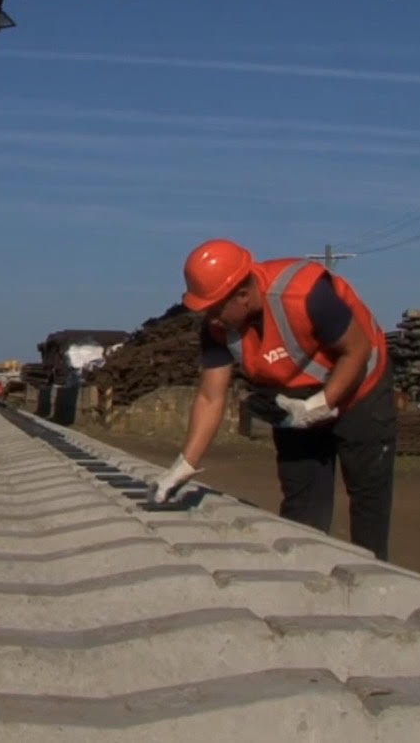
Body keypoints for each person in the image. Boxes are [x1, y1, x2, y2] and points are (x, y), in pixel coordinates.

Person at [148, 239, 397, 560]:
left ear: (243, 294)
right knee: (302, 501)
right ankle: (307, 574)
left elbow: (357, 351)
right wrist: (184, 465)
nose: (211, 319)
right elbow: (211, 396)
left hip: (361, 393)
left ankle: (371, 582)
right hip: (295, 402)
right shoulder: (217, 329)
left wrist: (323, 403)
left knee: (368, 499)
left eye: (215, 308)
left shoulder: (306, 294)